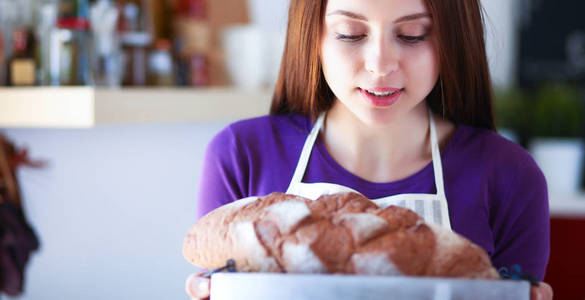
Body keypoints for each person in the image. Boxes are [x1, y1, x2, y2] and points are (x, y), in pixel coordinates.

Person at [185, 0, 553, 299]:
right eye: (351, 33)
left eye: (412, 35)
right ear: (312, 35)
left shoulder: (510, 175)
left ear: (455, 39)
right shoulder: (242, 155)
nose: (380, 66)